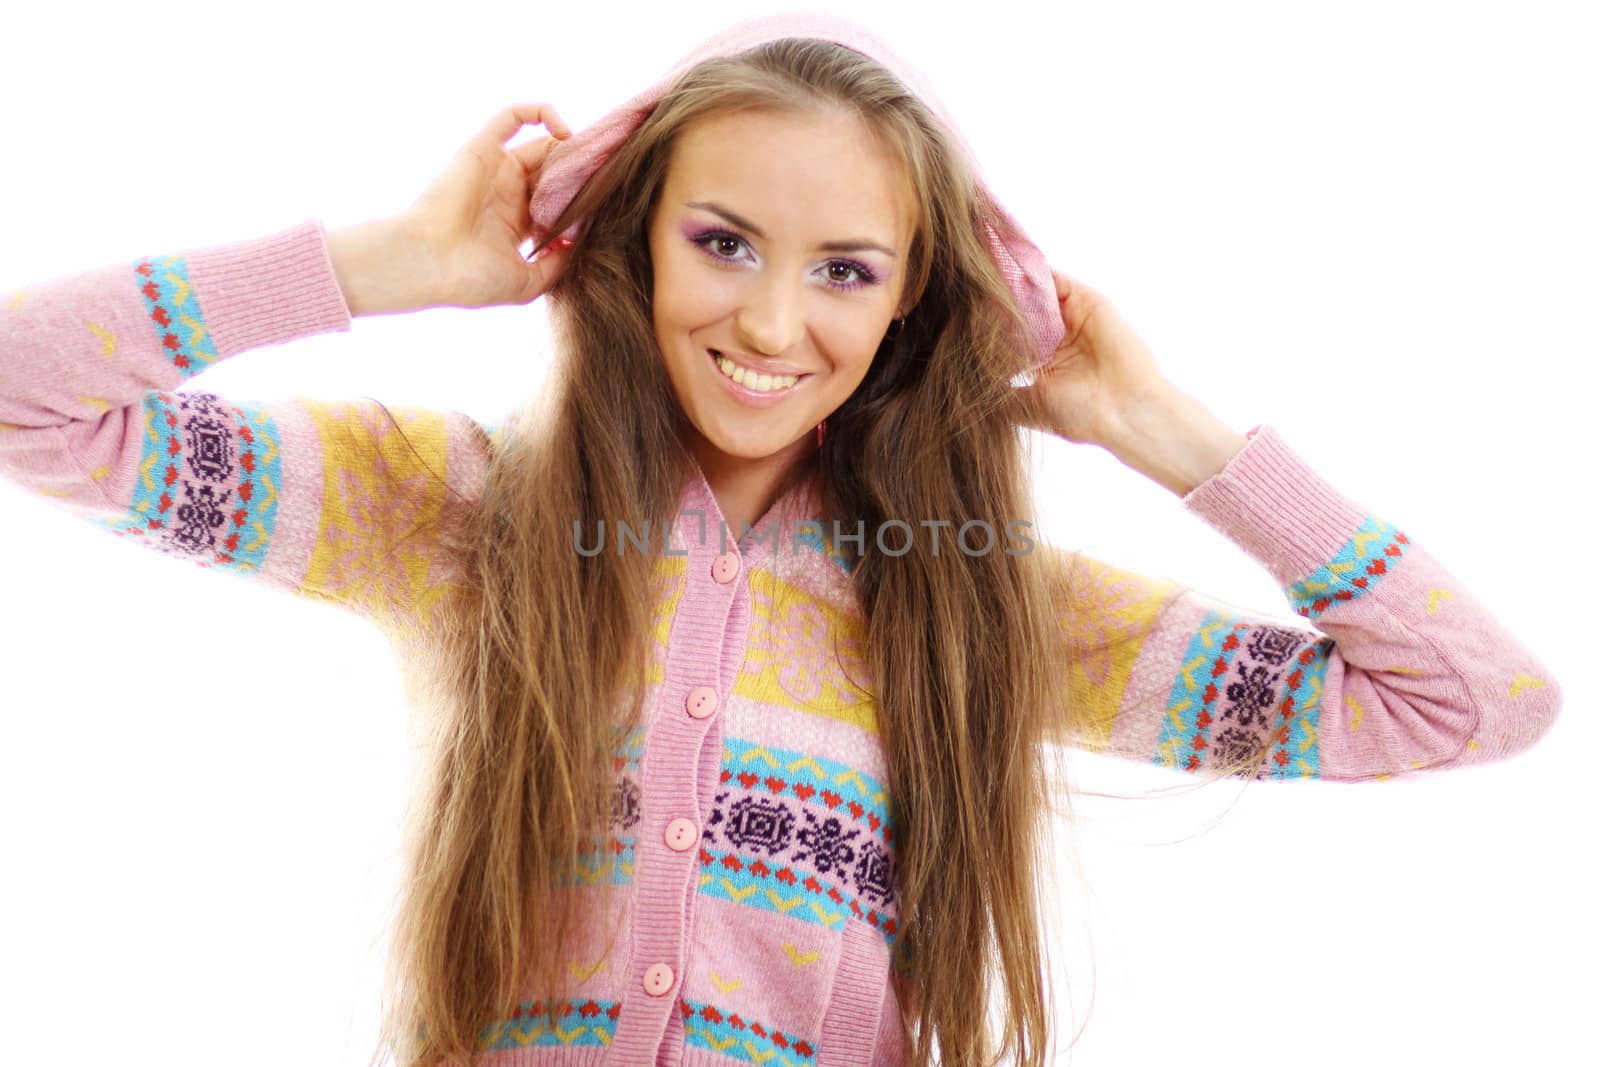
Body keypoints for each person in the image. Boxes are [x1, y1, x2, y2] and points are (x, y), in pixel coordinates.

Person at [0, 12, 1564, 1067]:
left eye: (843, 270)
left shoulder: (974, 600)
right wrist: (391, 261)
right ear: (631, 238)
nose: (769, 320)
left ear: (907, 307)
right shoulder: (459, 512)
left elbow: (1469, 702)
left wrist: (1167, 432)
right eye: (724, 242)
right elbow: (28, 398)